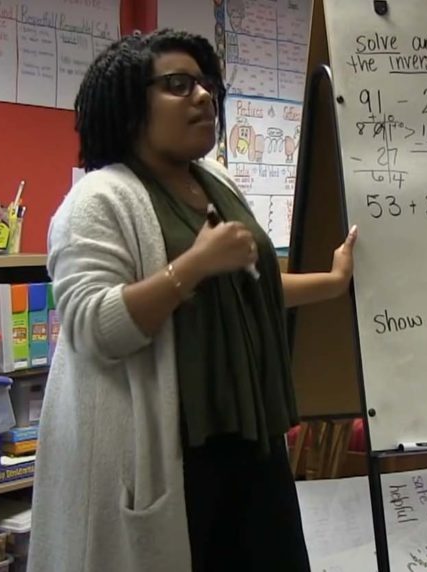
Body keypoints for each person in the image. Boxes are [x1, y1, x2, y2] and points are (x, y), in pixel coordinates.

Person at [28, 28, 358, 572]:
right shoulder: (98, 199)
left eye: (206, 84)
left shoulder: (215, 182)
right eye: (178, 84)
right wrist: (194, 266)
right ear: (131, 104)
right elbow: (91, 328)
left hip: (252, 437)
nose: (203, 96)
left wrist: (332, 281)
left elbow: (249, 289)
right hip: (173, 453)